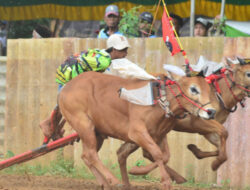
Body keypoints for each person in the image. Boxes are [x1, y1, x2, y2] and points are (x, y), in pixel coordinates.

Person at [40, 34, 130, 138]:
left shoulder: (103, 55)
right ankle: (47, 123)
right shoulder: (104, 62)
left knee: (70, 101)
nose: (126, 54)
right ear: (114, 49)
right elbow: (89, 75)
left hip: (69, 72)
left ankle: (53, 126)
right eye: (123, 50)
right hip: (70, 75)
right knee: (68, 100)